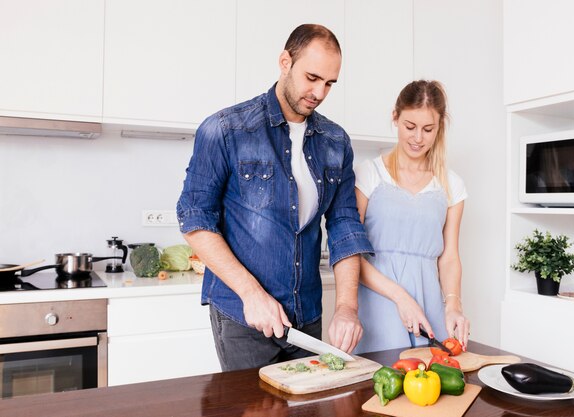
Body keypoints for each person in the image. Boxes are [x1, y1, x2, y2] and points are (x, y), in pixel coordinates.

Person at [176, 24, 373, 371]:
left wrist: (347, 307)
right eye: (312, 77)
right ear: (285, 61)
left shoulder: (336, 141)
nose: (319, 92)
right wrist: (251, 293)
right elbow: (194, 219)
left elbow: (345, 226)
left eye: (329, 83)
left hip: (306, 315)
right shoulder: (225, 129)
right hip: (243, 315)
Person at [353, 80, 470, 354]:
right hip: (377, 301)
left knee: (430, 387)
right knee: (380, 384)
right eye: (410, 126)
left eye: (428, 129)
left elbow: (449, 256)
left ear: (440, 126)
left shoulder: (452, 185)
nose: (418, 138)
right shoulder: (368, 174)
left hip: (428, 305)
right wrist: (400, 297)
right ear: (395, 118)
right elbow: (351, 254)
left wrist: (453, 305)